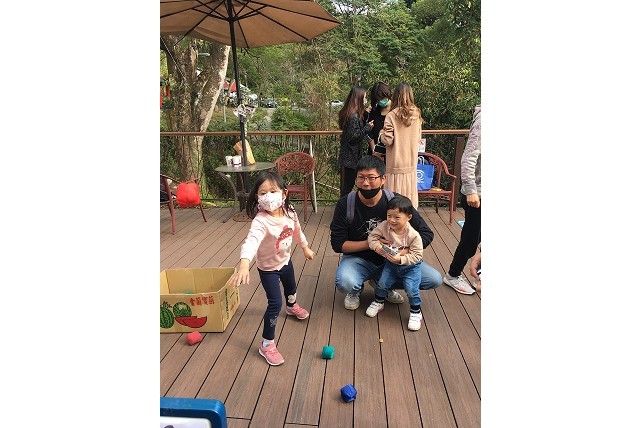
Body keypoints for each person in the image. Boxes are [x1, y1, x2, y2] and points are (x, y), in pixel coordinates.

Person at [330, 155, 442, 311]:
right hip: (359, 259)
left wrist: (404, 251)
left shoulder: (396, 202)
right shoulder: (346, 204)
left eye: (371, 178)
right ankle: (356, 289)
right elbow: (338, 244)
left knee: (433, 279)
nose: (366, 183)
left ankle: (383, 284)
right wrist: (373, 244)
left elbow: (426, 233)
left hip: (393, 261)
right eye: (361, 178)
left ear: (383, 179)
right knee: (345, 282)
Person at [235, 171, 315, 366]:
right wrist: (244, 263)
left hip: (285, 261)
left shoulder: (290, 212)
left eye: (273, 191)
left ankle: (292, 306)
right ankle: (267, 344)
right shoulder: (260, 221)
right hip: (268, 269)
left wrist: (305, 247)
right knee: (274, 304)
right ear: (257, 198)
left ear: (284, 193)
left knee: (291, 288)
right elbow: (251, 241)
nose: (268, 196)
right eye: (263, 193)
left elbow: (297, 232)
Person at [366, 195, 424, 331]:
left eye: (397, 217)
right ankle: (379, 301)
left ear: (409, 217)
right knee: (382, 283)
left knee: (411, 289)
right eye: (389, 216)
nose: (392, 220)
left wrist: (401, 259)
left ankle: (416, 312)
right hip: (390, 265)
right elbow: (372, 237)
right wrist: (377, 247)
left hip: (410, 267)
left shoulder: (414, 235)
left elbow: (417, 255)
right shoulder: (384, 226)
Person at [443, 105, 481, 294]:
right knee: (471, 240)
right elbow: (468, 158)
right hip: (479, 194)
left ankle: (479, 274)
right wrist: (471, 190)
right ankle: (453, 275)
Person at [380, 82, 423, 208]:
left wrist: (381, 134)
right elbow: (418, 138)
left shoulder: (391, 115)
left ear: (395, 96)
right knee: (409, 200)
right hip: (410, 163)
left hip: (395, 164)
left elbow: (388, 140)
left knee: (393, 201)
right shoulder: (416, 115)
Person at [338, 86, 374, 197]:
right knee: (347, 188)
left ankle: (347, 205)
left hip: (350, 158)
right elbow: (353, 137)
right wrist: (367, 128)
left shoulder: (351, 113)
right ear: (358, 98)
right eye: (364, 97)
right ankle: (343, 207)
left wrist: (365, 114)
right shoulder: (353, 116)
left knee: (347, 187)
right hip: (350, 159)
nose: (365, 100)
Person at [366, 81, 393, 162]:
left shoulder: (396, 110)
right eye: (378, 99)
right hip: (375, 155)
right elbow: (369, 132)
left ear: (387, 94)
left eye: (382, 98)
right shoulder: (374, 111)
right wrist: (374, 150)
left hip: (392, 155)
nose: (380, 101)